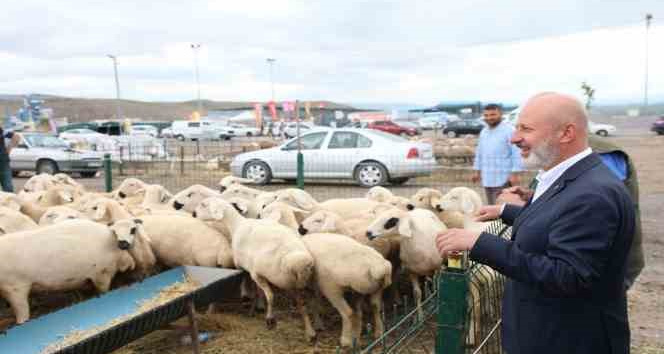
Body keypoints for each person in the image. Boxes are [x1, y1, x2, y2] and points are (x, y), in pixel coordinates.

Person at [436, 93, 635, 354]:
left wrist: (480, 243)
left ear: (566, 133)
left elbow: (568, 276)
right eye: (517, 127)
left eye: (526, 129)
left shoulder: (591, 195)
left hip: (568, 341)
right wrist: (507, 211)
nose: (514, 138)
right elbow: (558, 222)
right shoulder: (571, 177)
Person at [497, 134, 645, 290]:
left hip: (603, 272)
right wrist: (533, 197)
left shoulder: (602, 155)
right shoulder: (565, 151)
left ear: (566, 130)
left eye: (529, 128)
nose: (516, 138)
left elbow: (593, 201)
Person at [471, 103, 523, 204]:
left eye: (493, 114)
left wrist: (515, 174)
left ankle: (503, 220)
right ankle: (495, 221)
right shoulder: (484, 132)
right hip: (487, 177)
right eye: (486, 115)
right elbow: (480, 153)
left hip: (504, 178)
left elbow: (516, 153)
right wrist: (477, 172)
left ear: (500, 114)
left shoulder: (509, 130)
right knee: (491, 206)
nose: (489, 118)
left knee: (504, 208)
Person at [0, 128, 19, 192]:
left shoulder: (1, 131)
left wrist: (9, 148)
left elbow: (16, 136)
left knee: (8, 188)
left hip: (3, 162)